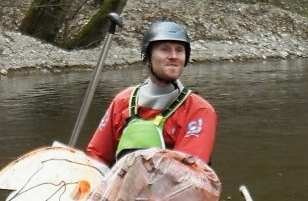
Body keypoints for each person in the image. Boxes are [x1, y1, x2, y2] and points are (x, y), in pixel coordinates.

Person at [85, 20, 217, 166]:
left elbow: (187, 171)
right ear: (148, 56)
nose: (173, 56)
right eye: (164, 49)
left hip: (174, 187)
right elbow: (97, 156)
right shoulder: (123, 101)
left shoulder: (198, 110)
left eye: (179, 50)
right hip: (121, 186)